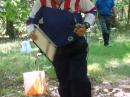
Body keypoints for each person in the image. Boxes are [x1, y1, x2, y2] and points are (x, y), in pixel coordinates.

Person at [26, 0, 96, 97]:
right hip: (56, 50)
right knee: (64, 82)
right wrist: (43, 45)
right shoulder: (41, 2)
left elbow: (92, 10)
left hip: (76, 45)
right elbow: (30, 23)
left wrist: (86, 25)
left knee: (79, 80)